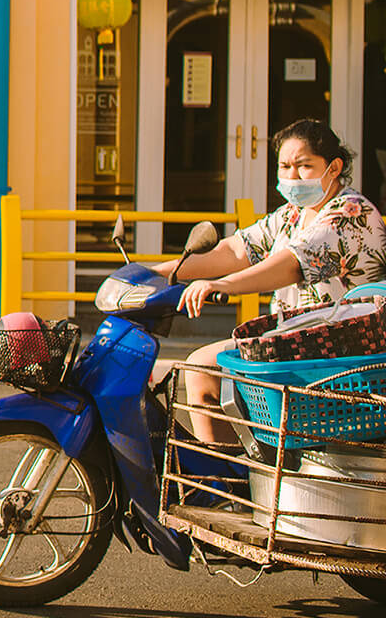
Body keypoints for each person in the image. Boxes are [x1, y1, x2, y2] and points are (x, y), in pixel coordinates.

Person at [160, 118, 386, 443]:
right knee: (200, 372)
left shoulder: (351, 213)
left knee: (204, 368)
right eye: (284, 166)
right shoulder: (292, 213)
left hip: (336, 354)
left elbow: (292, 264)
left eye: (304, 166)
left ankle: (229, 484)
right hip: (291, 342)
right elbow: (236, 250)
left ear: (334, 167)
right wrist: (161, 272)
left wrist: (223, 285)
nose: (292, 176)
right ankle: (225, 484)